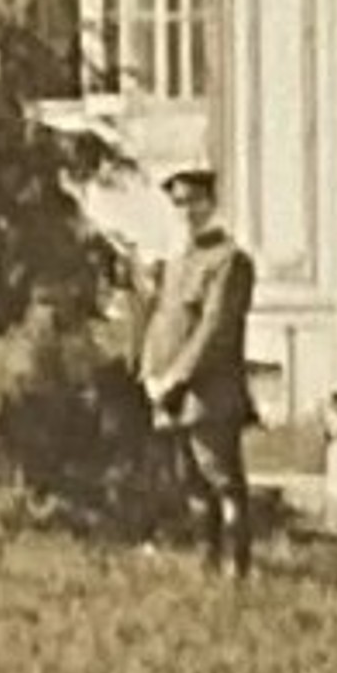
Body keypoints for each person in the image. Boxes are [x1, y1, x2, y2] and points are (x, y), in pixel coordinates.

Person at [138, 166, 259, 578]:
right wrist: (151, 374)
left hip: (211, 391)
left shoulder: (230, 261)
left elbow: (215, 328)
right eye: (179, 204)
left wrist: (177, 377)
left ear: (212, 204)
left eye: (195, 202)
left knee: (222, 478)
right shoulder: (177, 262)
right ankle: (208, 565)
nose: (187, 212)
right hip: (170, 389)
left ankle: (237, 569)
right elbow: (162, 321)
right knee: (191, 482)